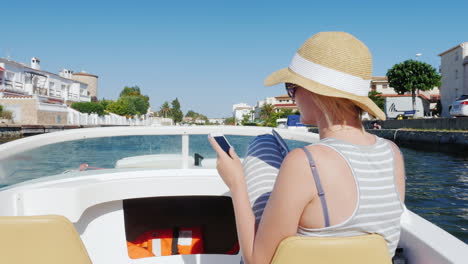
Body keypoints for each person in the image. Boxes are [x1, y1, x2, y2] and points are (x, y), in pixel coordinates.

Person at [209, 32, 405, 264]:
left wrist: (236, 182)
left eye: (292, 87)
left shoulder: (306, 162)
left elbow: (257, 260)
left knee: (264, 142)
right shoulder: (392, 153)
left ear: (314, 92)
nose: (292, 98)